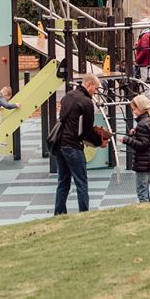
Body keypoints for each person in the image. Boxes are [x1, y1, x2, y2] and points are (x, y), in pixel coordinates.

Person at [52, 73, 108, 215]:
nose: (95, 92)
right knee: (81, 182)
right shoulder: (86, 102)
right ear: (88, 84)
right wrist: (99, 142)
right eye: (95, 88)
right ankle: (84, 213)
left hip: (60, 144)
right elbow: (87, 131)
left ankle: (59, 214)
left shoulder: (68, 96)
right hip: (73, 146)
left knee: (63, 181)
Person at [122, 94, 150, 203]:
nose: (133, 111)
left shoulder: (142, 124)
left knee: (142, 191)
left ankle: (145, 212)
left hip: (143, 162)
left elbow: (143, 145)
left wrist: (126, 140)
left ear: (140, 108)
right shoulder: (148, 120)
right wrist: (135, 133)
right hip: (149, 161)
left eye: (134, 109)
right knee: (148, 188)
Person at [134, 19, 150, 86]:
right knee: (149, 79)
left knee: (146, 81)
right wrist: (138, 44)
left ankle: (148, 96)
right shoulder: (148, 34)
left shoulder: (145, 36)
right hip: (149, 61)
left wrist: (137, 59)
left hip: (145, 62)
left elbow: (144, 50)